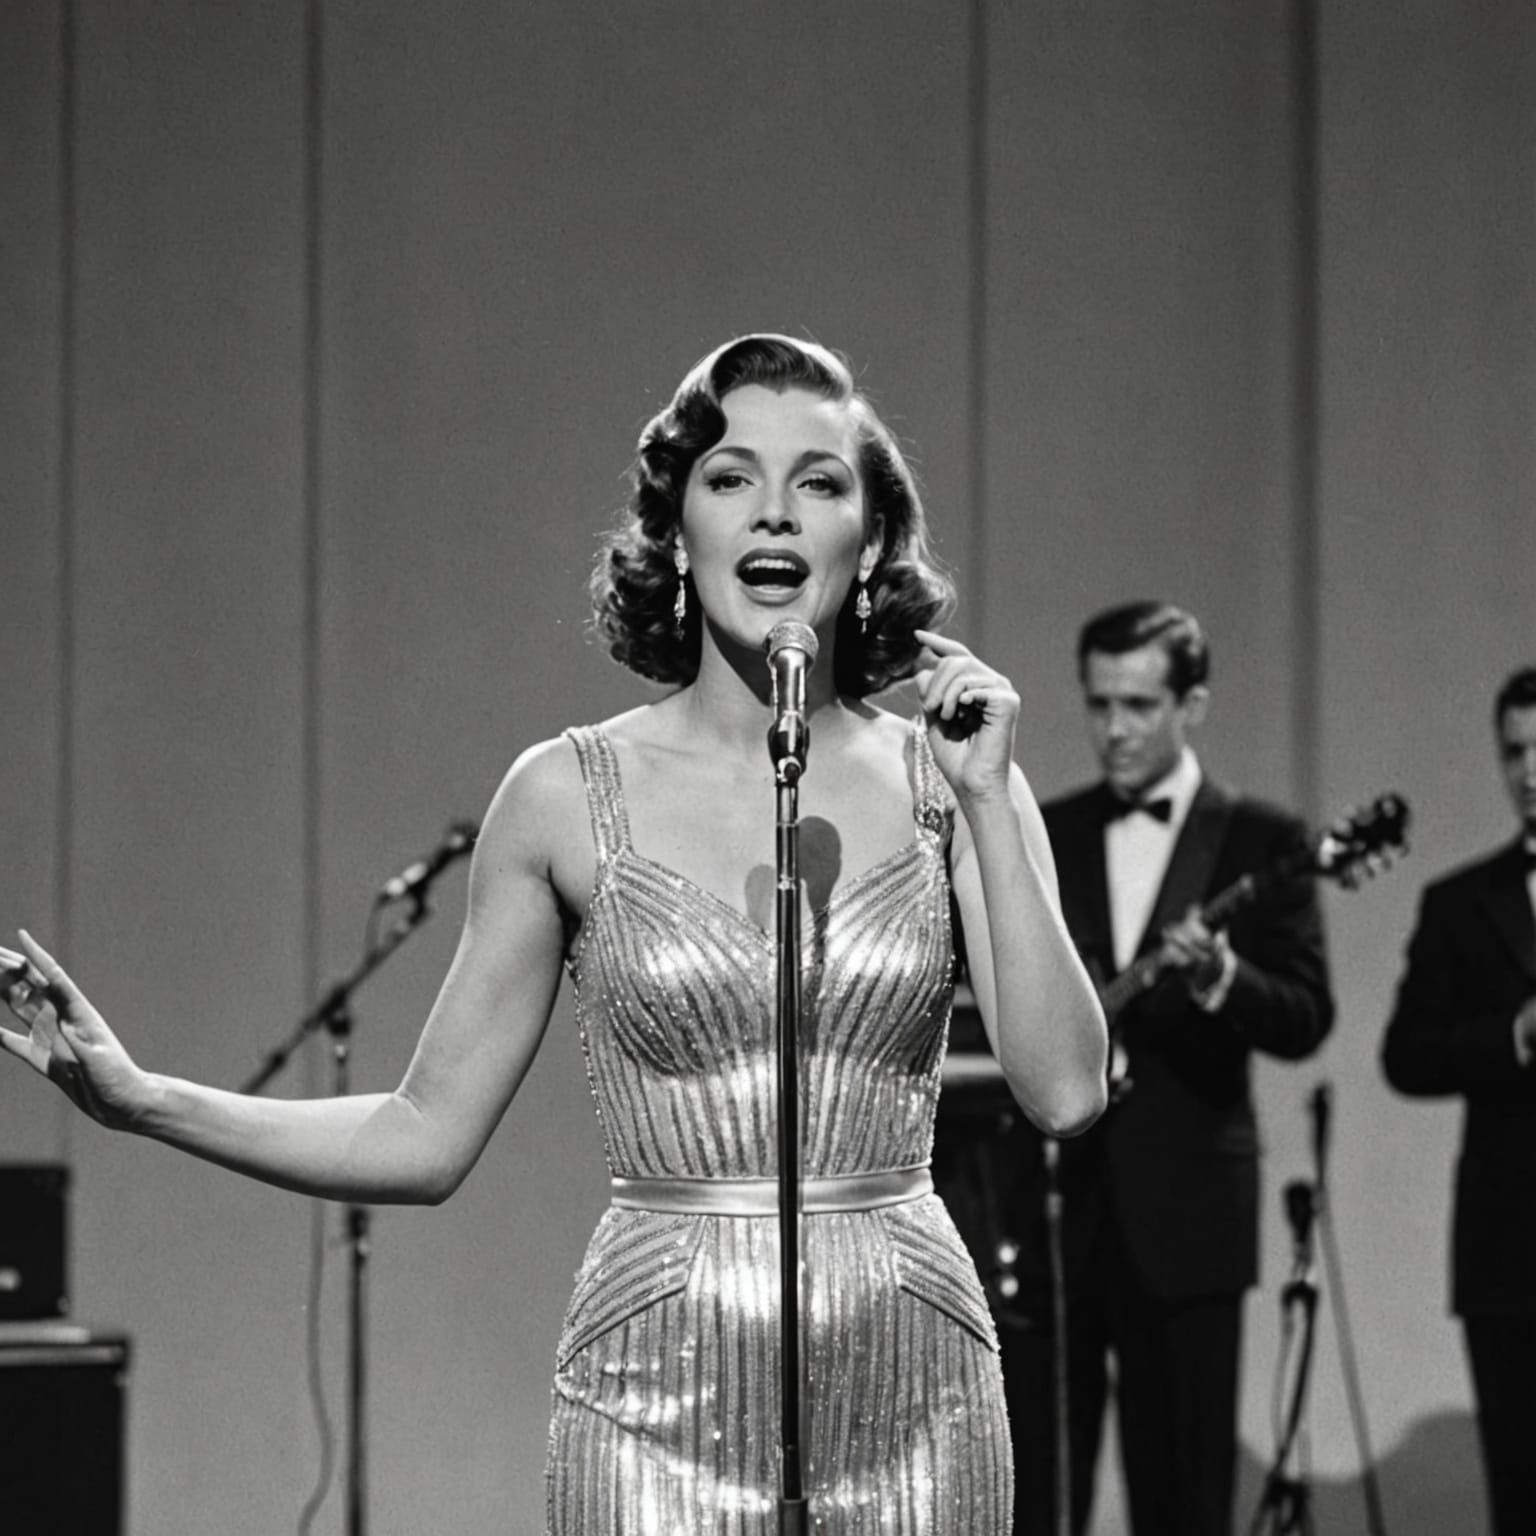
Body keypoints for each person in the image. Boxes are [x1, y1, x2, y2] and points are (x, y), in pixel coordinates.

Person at [0, 333, 1108, 1534]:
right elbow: (422, 1137)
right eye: (733, 478)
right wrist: (144, 1099)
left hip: (915, 1390)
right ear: (677, 529)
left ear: (873, 536)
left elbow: (1065, 1091)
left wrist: (992, 801)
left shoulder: (953, 780)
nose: (776, 514)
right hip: (658, 1396)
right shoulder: (564, 795)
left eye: (821, 482)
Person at [996, 600, 1334, 1536]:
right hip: (1055, 1203)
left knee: (1184, 1493)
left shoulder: (1263, 840)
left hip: (1187, 1216)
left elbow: (1308, 1015)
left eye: (1139, 705)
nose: (1114, 730)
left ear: (1194, 703)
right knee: (1036, 1490)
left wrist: (1225, 975)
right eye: (1099, 704)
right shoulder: (1046, 830)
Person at [1380, 665, 1536, 1536]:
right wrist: (1513, 1036)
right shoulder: (1460, 902)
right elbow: (1406, 1055)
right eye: (1516, 751)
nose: (1532, 771)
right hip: (1511, 1248)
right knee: (1518, 1488)